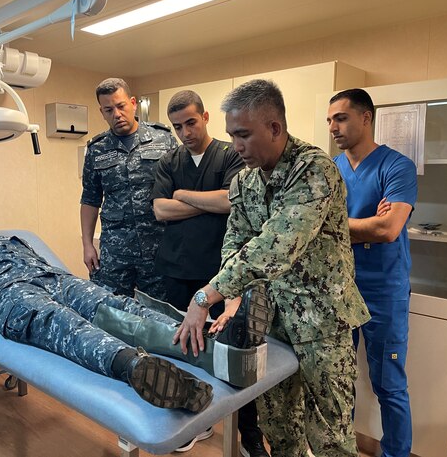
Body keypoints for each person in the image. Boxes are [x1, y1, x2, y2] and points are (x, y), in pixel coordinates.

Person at [0, 188, 265, 413]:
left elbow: (53, 272)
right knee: (66, 325)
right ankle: (138, 369)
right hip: (10, 296)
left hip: (59, 281)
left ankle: (217, 346)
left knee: (122, 308)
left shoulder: (15, 240)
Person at [174, 79, 371, 457]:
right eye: (232, 135)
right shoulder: (245, 182)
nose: (236, 146)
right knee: (279, 428)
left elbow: (275, 246)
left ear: (275, 128)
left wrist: (205, 296)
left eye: (244, 135)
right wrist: (230, 298)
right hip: (273, 323)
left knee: (331, 436)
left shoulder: (314, 170)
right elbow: (235, 242)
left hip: (322, 322)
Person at [152, 90, 267, 457]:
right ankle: (193, 423)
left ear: (204, 117)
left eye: (190, 122)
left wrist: (184, 195)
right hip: (176, 270)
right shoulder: (169, 161)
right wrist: (208, 201)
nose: (185, 132)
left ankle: (249, 434)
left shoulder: (231, 154)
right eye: (177, 127)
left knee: (234, 355)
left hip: (222, 275)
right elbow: (160, 211)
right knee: (182, 350)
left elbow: (232, 200)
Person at [328, 89, 417, 457]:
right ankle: (342, 448)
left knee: (389, 386)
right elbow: (313, 224)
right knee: (340, 381)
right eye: (330, 120)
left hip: (384, 289)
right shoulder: (332, 167)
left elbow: (388, 230)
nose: (334, 127)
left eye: (342, 118)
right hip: (339, 285)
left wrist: (336, 223)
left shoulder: (396, 166)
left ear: (366, 118)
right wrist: (366, 222)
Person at [80, 77, 178, 300]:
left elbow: (179, 189)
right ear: (102, 112)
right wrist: (87, 245)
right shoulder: (97, 148)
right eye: (108, 109)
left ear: (133, 103)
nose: (116, 114)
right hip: (116, 252)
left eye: (121, 106)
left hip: (159, 247)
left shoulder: (164, 139)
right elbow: (90, 199)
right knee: (111, 312)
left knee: (161, 314)